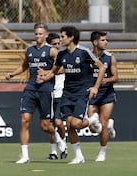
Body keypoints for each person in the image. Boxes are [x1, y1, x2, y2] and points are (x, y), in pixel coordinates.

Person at [37, 26, 105, 164]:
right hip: (67, 93)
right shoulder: (61, 55)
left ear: (71, 37)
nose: (61, 39)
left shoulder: (84, 52)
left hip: (82, 92)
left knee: (76, 123)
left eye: (63, 37)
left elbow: (102, 67)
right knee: (69, 125)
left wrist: (95, 87)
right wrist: (44, 78)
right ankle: (79, 156)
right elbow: (54, 71)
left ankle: (92, 120)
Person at [5, 23, 67, 164]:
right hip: (30, 89)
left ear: (45, 35)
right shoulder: (30, 50)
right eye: (36, 34)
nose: (38, 36)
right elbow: (24, 65)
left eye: (40, 34)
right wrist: (12, 74)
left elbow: (64, 68)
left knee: (45, 126)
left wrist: (47, 73)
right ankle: (25, 156)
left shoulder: (51, 51)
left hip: (45, 91)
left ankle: (58, 139)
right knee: (24, 120)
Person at [88, 31, 118, 162]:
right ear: (95, 42)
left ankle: (102, 152)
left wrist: (105, 80)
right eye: (103, 40)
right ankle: (110, 125)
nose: (106, 42)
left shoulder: (110, 57)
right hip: (91, 94)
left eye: (106, 40)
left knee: (103, 123)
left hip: (107, 94)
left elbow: (116, 77)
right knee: (92, 127)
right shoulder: (86, 56)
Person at [45, 33, 68, 160]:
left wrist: (50, 72)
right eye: (55, 44)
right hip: (49, 93)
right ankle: (54, 152)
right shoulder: (47, 57)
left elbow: (65, 68)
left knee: (59, 123)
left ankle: (64, 145)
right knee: (50, 125)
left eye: (59, 43)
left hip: (61, 94)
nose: (58, 46)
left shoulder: (63, 56)